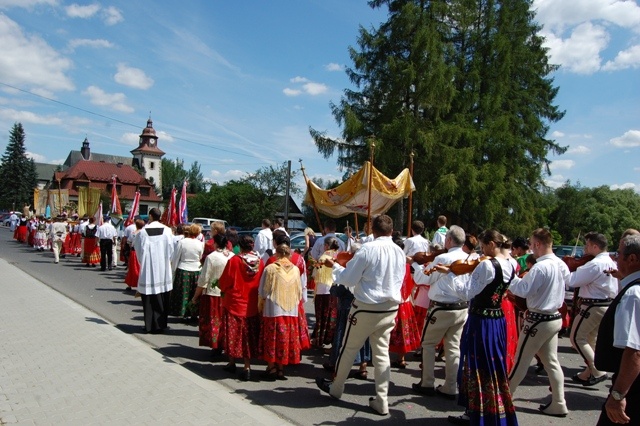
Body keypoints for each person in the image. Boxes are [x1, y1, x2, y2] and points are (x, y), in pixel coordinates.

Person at [315, 214, 405, 416]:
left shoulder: (368, 249)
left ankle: (336, 388)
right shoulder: (399, 251)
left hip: (367, 307)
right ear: (391, 231)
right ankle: (382, 400)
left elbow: (349, 279)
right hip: (389, 308)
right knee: (381, 354)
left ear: (373, 230)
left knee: (349, 348)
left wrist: (335, 267)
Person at [447, 230, 518, 425]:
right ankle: (493, 412)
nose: (482, 250)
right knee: (494, 366)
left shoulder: (487, 265)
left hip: (481, 321)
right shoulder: (510, 263)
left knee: (476, 365)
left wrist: (452, 276)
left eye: (483, 246)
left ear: (491, 244)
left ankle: (478, 414)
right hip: (497, 319)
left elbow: (467, 293)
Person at [508, 228, 569, 417]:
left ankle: (503, 398)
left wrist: (510, 278)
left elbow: (523, 290)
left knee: (520, 361)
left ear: (537, 244)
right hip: (553, 317)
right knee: (551, 361)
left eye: (532, 244)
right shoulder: (560, 264)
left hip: (539, 319)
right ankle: (559, 402)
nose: (531, 248)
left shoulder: (540, 267)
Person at [412, 225, 472, 399]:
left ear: (449, 240)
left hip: (441, 306)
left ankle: (427, 383)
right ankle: (451, 385)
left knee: (429, 344)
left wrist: (416, 265)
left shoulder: (444, 258)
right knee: (453, 346)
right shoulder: (469, 258)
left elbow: (423, 278)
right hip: (461, 307)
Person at [594, 234, 640, 425]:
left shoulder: (633, 294)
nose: (615, 258)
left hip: (633, 387)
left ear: (631, 259)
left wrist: (618, 395)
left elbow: (634, 350)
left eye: (618, 254)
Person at [568, 232, 617, 387]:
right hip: (605, 304)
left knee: (576, 338)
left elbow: (573, 280)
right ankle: (587, 373)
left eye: (588, 245)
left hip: (593, 305)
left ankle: (597, 370)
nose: (585, 248)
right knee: (590, 339)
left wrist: (565, 270)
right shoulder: (610, 261)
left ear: (595, 246)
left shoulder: (595, 263)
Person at [218, 234, 264, 381]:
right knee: (248, 336)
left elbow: (224, 282)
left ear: (240, 246)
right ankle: (247, 366)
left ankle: (232, 362)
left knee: (233, 334)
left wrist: (223, 290)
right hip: (251, 305)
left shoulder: (234, 261)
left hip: (235, 303)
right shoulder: (260, 263)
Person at [258, 235, 303, 380]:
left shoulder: (271, 268)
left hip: (274, 308)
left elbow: (262, 290)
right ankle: (281, 368)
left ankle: (271, 367)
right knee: (284, 339)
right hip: (290, 309)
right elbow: (300, 290)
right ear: (289, 254)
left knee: (273, 338)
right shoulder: (295, 269)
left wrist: (261, 303)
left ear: (277, 254)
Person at [192, 232, 234, 356]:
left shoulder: (212, 257)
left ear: (215, 243)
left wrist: (196, 296)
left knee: (214, 321)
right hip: (227, 294)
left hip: (213, 293)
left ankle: (216, 347)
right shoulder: (232, 256)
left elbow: (204, 279)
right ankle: (225, 344)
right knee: (225, 321)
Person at [134, 208, 174, 334]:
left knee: (148, 298)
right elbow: (171, 250)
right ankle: (161, 325)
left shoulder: (143, 232)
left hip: (148, 268)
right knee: (162, 296)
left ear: (150, 216)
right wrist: (166, 261)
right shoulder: (167, 231)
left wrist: (143, 262)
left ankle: (149, 326)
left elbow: (138, 251)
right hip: (163, 267)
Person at [170, 223, 204, 321]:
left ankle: (183, 312)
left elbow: (176, 257)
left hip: (183, 268)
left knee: (184, 292)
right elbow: (200, 257)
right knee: (193, 292)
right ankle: (193, 313)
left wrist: (173, 270)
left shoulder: (182, 242)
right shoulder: (200, 243)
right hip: (196, 270)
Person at [311, 236, 340, 348]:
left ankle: (320, 340)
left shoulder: (323, 257)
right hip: (335, 289)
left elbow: (315, 274)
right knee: (332, 317)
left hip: (323, 290)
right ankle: (331, 340)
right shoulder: (339, 256)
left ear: (327, 246)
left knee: (321, 316)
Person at [124, 219, 145, 291]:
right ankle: (140, 284)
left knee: (132, 268)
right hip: (142, 252)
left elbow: (129, 242)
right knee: (140, 268)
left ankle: (130, 284)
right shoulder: (144, 233)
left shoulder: (133, 233)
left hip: (134, 252)